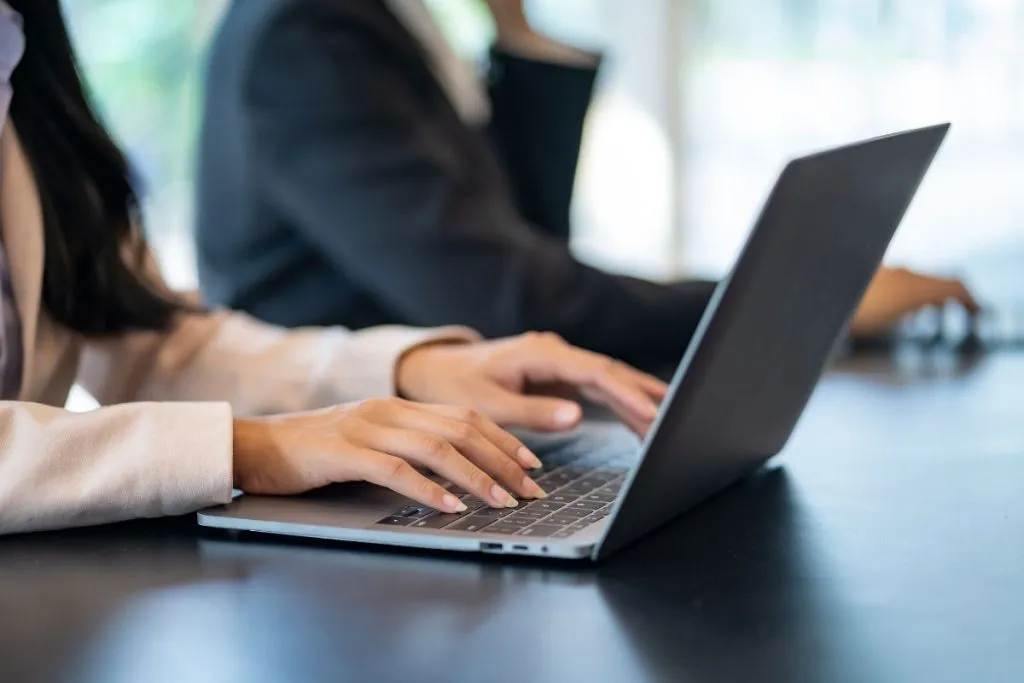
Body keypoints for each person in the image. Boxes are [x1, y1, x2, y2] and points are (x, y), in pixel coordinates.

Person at [0, 0, 670, 536]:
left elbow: (142, 332)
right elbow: (513, 285)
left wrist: (405, 369)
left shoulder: (26, 58)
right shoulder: (305, 31)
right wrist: (242, 447)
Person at [196, 0, 978, 369]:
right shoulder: (308, 35)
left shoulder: (388, 22)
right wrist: (803, 302)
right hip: (351, 469)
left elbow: (523, 241)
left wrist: (517, 30)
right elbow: (514, 301)